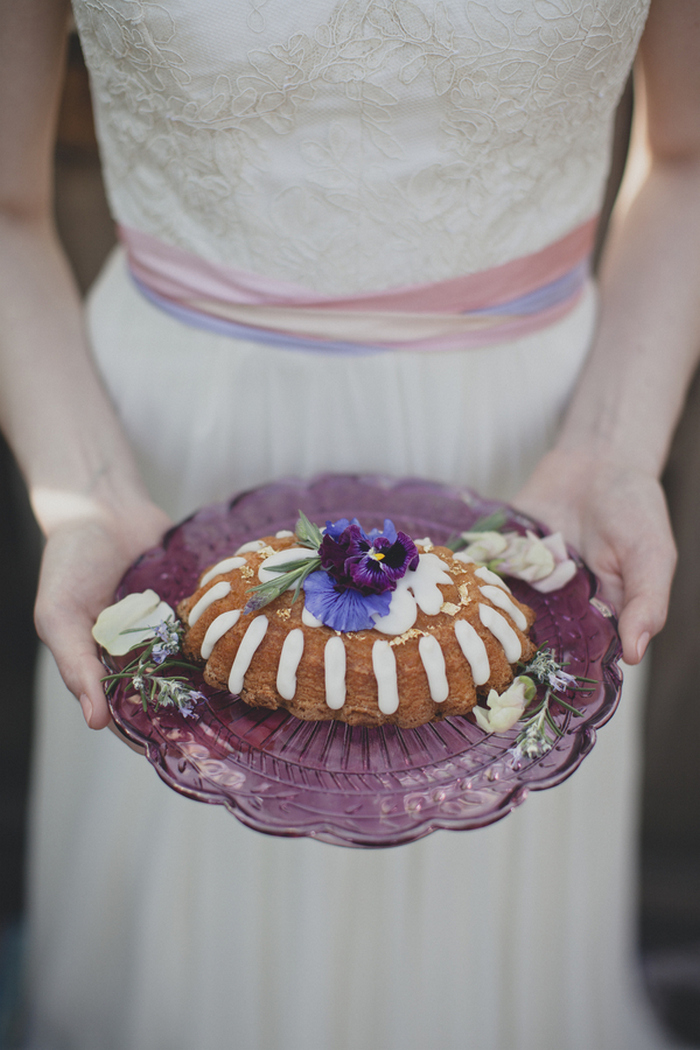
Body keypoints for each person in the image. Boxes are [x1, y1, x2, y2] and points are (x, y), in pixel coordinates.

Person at [1, 1, 697, 1047]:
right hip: (166, 474)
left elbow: (687, 154)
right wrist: (87, 489)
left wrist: (610, 443)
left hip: (533, 474)